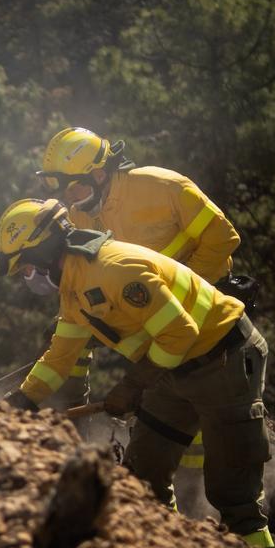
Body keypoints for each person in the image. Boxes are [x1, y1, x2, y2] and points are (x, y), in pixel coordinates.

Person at [0, 198, 274, 548]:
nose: (27, 280)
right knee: (143, 478)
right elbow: (60, 356)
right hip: (171, 368)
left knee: (233, 494)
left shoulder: (115, 270)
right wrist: (21, 401)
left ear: (44, 252)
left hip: (223, 360)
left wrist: (132, 386)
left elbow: (180, 332)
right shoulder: (74, 286)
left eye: (26, 270)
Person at [35, 127, 250, 474]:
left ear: (100, 173)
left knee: (188, 395)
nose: (68, 197)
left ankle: (195, 487)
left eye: (73, 185)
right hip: (142, 312)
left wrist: (180, 292)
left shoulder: (163, 187)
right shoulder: (80, 214)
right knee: (65, 337)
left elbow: (224, 239)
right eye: (60, 188)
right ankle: (72, 438)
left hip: (201, 308)